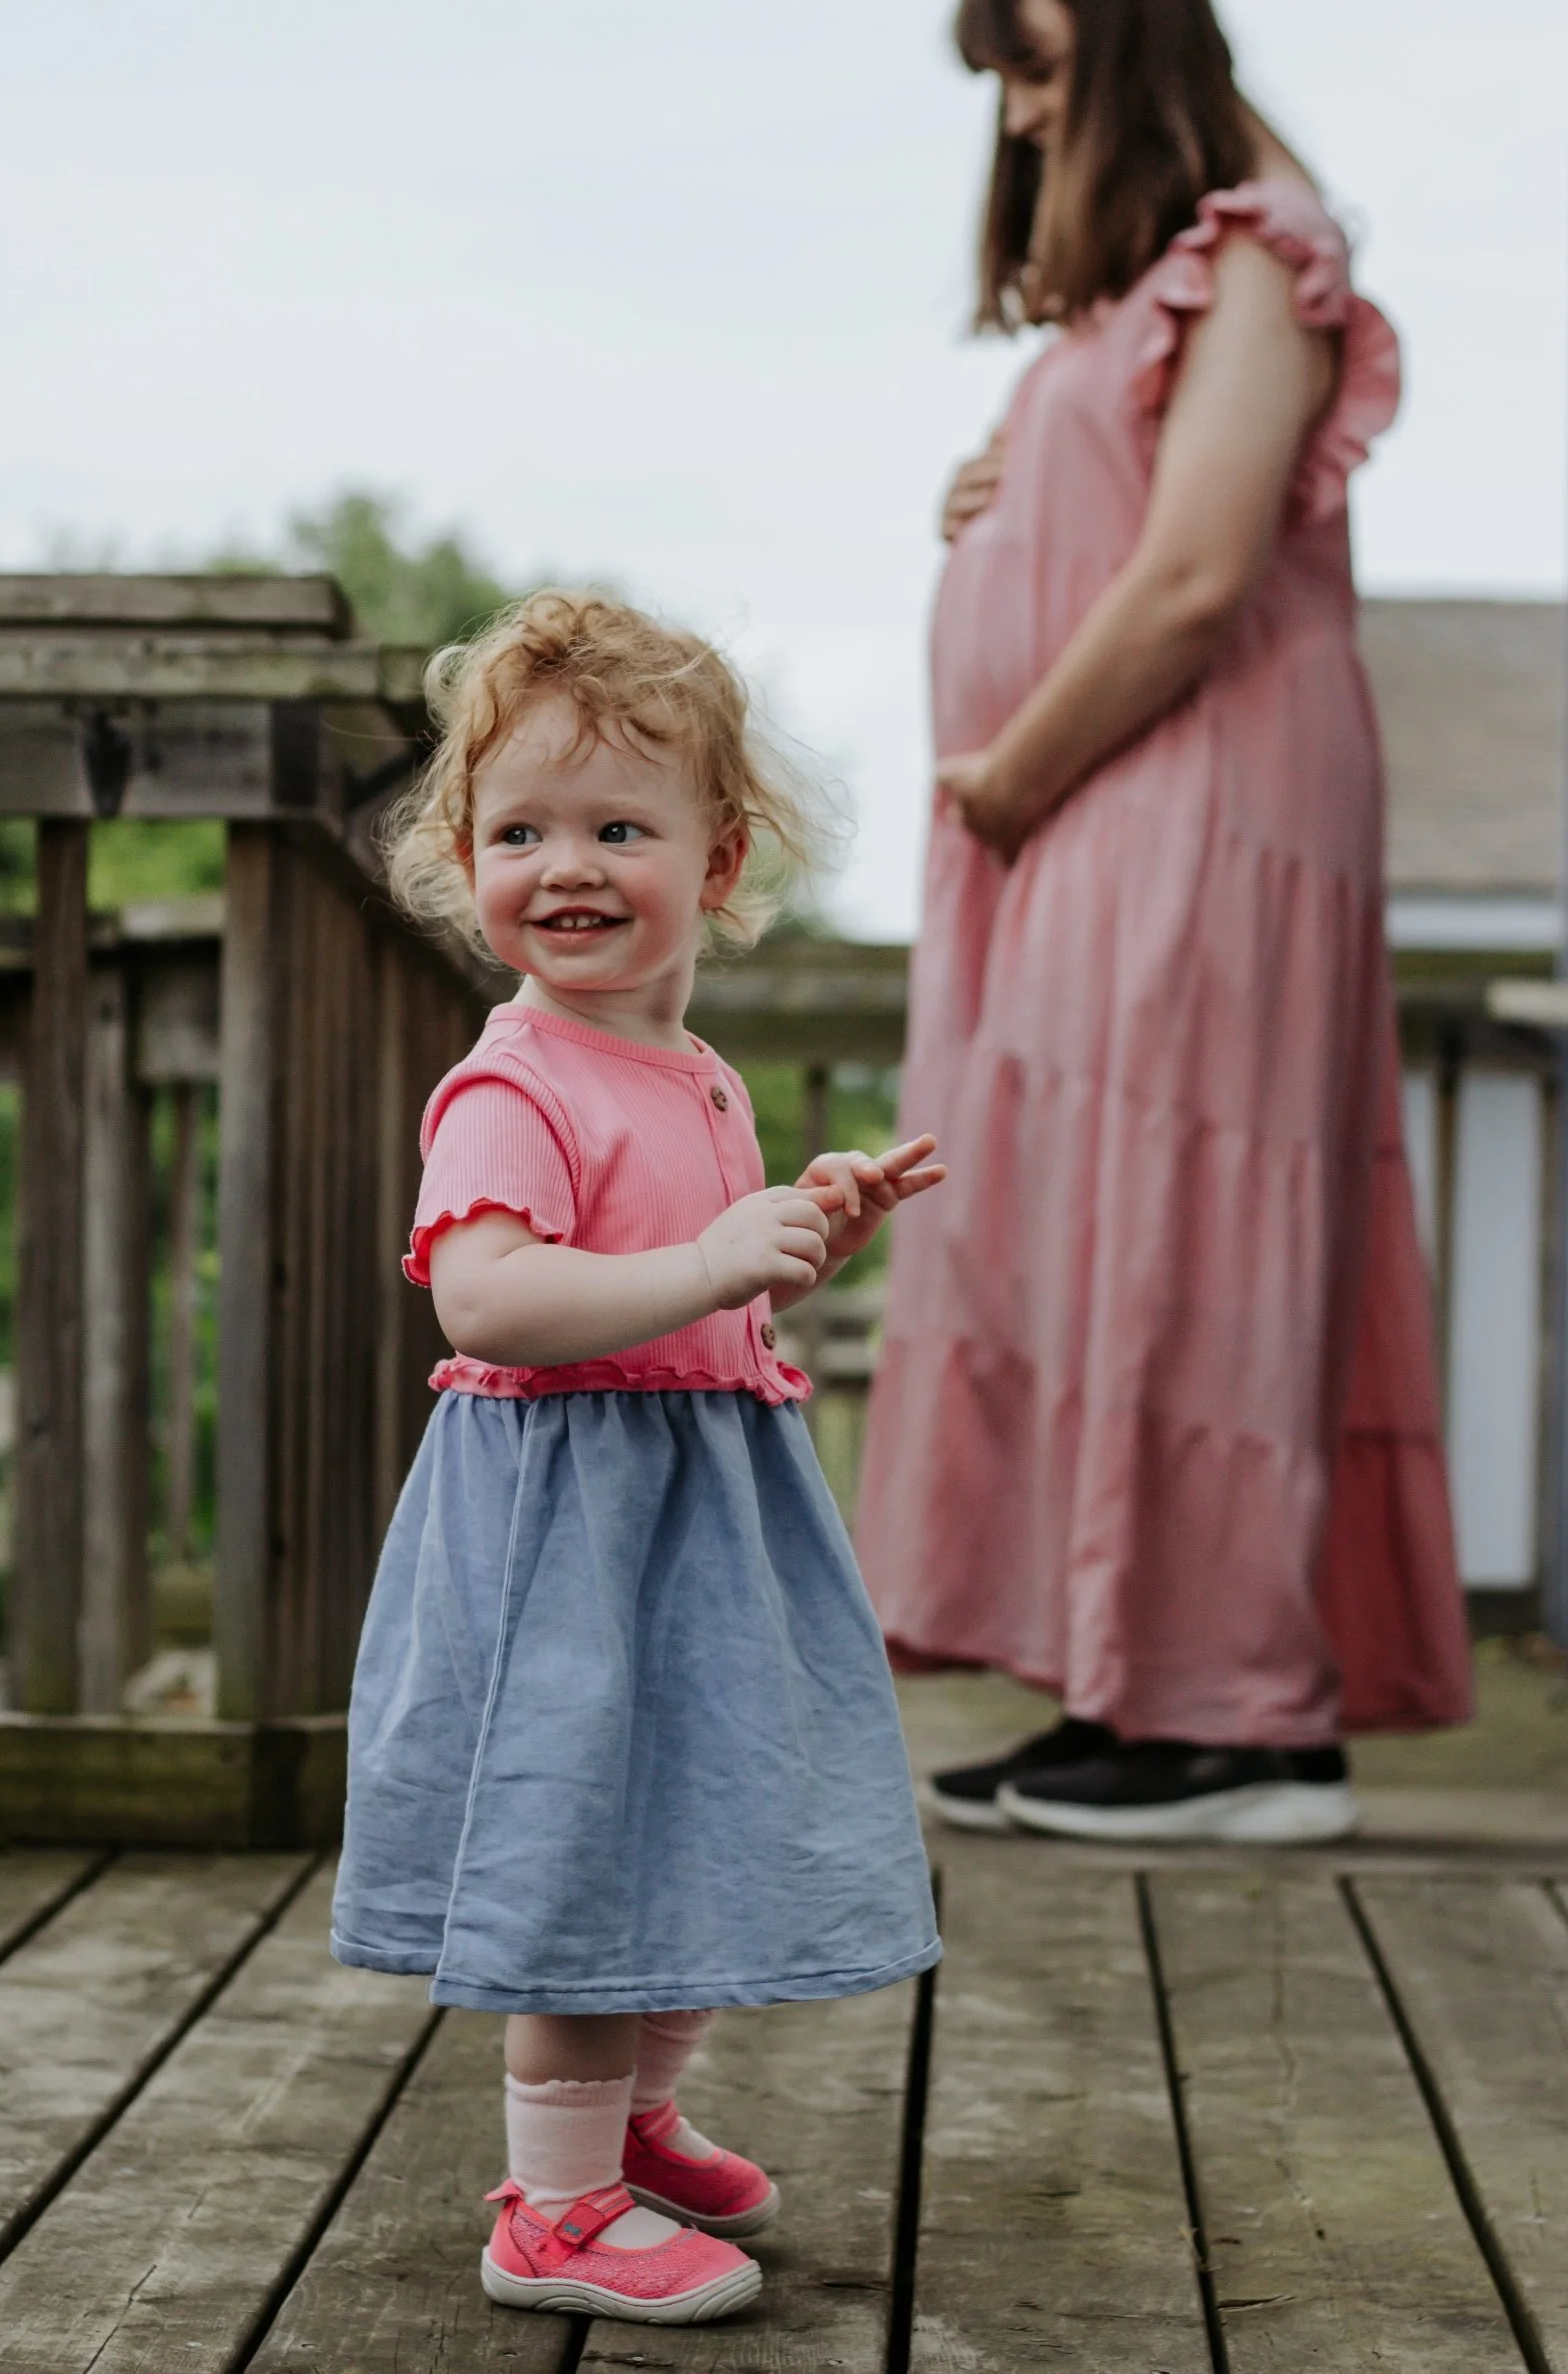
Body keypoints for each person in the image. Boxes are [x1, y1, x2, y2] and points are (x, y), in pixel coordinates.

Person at [855, 0, 1472, 1846]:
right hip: (1104, 807)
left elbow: (1198, 576)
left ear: (1123, 58)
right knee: (1081, 1224)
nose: (1020, 120)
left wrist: (1009, 774)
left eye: (1038, 70)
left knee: (1181, 1240)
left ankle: (1234, 1715)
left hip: (1180, 791)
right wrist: (1005, 486)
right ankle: (1127, 1679)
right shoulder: (1131, 298)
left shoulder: (1258, 254)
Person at [330, 591, 943, 2325]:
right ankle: (551, 2203)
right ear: (467, 858)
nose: (567, 866)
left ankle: (630, 2115)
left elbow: (695, 1271)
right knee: (590, 1849)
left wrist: (803, 1226)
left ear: (719, 858)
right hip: (565, 1526)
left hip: (696, 1509)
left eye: (618, 826)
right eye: (519, 830)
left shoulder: (686, 1067)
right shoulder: (507, 1083)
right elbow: (491, 1298)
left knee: (704, 1819)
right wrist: (700, 1265)